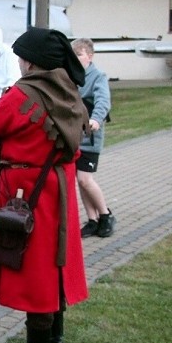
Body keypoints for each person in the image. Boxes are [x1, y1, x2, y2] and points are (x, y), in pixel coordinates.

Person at [0, 27, 89, 343]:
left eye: (21, 56)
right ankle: (53, 340)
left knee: (36, 267)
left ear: (31, 62)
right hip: (57, 186)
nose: (18, 62)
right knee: (55, 261)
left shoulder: (22, 95)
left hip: (26, 190)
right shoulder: (67, 90)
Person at [72, 38, 116, 238]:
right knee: (80, 181)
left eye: (79, 54)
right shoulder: (72, 76)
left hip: (90, 138)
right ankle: (92, 219)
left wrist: (96, 120)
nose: (76, 58)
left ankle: (105, 215)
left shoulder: (98, 77)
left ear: (90, 56)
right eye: (74, 55)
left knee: (85, 179)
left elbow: (103, 101)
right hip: (74, 137)